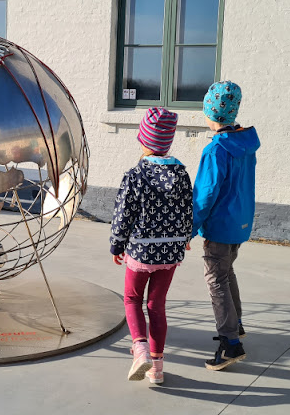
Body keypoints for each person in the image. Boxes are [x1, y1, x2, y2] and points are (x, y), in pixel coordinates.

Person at [110, 107, 193, 385]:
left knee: (132, 298)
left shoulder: (136, 175)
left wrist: (117, 245)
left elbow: (124, 214)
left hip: (142, 250)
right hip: (170, 251)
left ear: (143, 140)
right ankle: (157, 369)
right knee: (157, 305)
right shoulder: (181, 173)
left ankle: (140, 350)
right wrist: (184, 238)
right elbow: (187, 210)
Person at [192, 81, 261, 371]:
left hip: (220, 227)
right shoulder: (245, 144)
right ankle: (237, 322)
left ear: (212, 114)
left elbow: (206, 194)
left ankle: (230, 343)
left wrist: (191, 226)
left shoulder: (216, 150)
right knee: (226, 271)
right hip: (239, 224)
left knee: (216, 280)